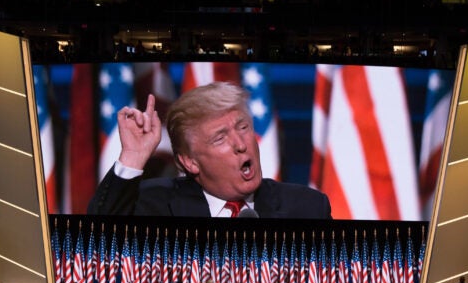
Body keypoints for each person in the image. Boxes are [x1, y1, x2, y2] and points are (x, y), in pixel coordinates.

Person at [88, 82, 332, 219]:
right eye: (220, 138)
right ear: (190, 162)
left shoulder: (308, 208)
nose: (240, 143)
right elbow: (97, 238)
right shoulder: (157, 205)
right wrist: (133, 156)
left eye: (243, 126)